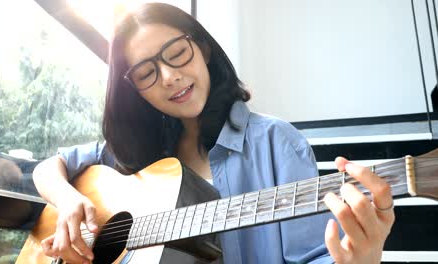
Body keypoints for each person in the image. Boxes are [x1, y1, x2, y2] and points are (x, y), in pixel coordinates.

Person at [33, 3, 395, 264]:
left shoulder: (276, 141)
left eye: (176, 53)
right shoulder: (134, 153)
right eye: (146, 73)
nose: (169, 76)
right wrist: (67, 201)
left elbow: (315, 255)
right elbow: (50, 167)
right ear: (136, 92)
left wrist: (360, 260)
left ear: (203, 49)